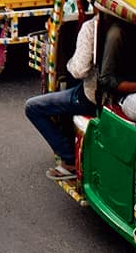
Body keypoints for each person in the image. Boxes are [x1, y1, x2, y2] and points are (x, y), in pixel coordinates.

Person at [24, 14, 101, 180]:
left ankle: (69, 159)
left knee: (32, 107)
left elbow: (79, 70)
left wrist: (70, 63)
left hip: (92, 96)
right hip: (115, 95)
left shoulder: (92, 26)